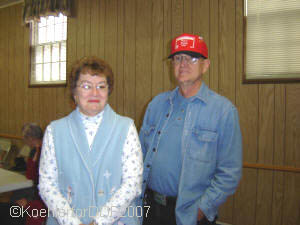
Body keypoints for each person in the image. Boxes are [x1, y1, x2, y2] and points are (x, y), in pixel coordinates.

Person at [139, 33, 242, 225]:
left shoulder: (223, 111)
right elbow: (139, 155)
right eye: (178, 58)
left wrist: (202, 209)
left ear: (206, 65)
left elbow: (230, 171)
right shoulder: (156, 104)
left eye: (192, 58)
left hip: (189, 215)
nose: (183, 63)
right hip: (150, 209)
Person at [38, 56, 143, 225]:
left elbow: (132, 184)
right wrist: (73, 222)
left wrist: (99, 222)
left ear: (108, 91)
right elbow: (47, 185)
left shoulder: (126, 127)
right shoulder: (54, 131)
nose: (95, 93)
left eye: (101, 86)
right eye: (86, 86)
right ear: (74, 92)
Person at [0, 123, 46, 225]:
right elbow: (31, 176)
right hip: (35, 192)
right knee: (13, 200)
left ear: (30, 138)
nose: (24, 142)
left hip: (40, 197)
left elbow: (39, 181)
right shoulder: (36, 150)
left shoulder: (43, 153)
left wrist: (29, 200)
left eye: (24, 139)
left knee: (12, 208)